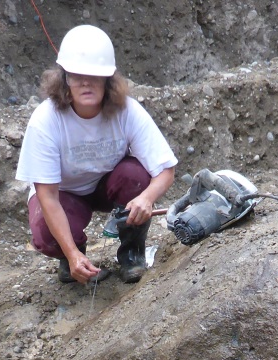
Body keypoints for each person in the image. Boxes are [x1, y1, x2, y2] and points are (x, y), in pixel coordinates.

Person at [16, 25, 177, 284]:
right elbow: (47, 196)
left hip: (106, 185)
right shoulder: (46, 121)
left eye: (94, 75)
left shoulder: (127, 111)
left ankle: (132, 251)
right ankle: (74, 259)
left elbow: (165, 170)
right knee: (45, 233)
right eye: (77, 75)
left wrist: (146, 199)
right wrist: (71, 253)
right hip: (64, 194)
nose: (86, 83)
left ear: (108, 79)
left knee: (134, 176)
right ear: (65, 78)